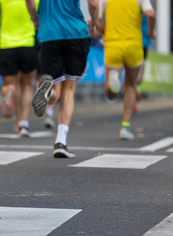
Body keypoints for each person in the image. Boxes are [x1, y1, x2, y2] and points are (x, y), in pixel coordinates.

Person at [26, 0, 99, 158]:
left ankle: (49, 91)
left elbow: (29, 1)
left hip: (49, 33)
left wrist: (35, 19)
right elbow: (93, 3)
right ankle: (61, 141)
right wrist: (94, 22)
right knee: (69, 88)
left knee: (55, 83)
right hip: (76, 32)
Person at [96, 0, 155, 140]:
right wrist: (151, 31)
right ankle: (125, 127)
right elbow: (151, 15)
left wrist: (106, 32)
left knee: (110, 95)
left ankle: (114, 82)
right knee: (130, 86)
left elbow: (97, 22)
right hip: (133, 46)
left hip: (113, 46)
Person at [0, 0, 39, 137]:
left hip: (7, 44)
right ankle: (23, 124)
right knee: (26, 85)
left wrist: (3, 19)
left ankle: (10, 93)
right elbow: (39, 16)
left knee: (11, 85)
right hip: (28, 43)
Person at [134, 14, 155, 112]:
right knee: (136, 75)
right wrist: (151, 32)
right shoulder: (143, 4)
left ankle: (134, 91)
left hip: (139, 43)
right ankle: (134, 94)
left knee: (137, 76)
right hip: (138, 44)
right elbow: (151, 15)